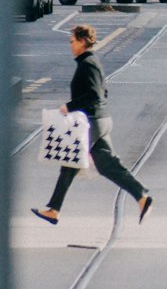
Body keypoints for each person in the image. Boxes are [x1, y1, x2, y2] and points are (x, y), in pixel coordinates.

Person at [32, 24, 153, 223]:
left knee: (69, 164)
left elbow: (94, 95)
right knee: (108, 166)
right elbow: (103, 92)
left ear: (82, 41)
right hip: (101, 120)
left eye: (72, 41)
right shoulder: (91, 61)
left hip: (93, 122)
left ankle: (54, 210)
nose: (70, 45)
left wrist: (69, 107)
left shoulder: (87, 63)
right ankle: (142, 197)